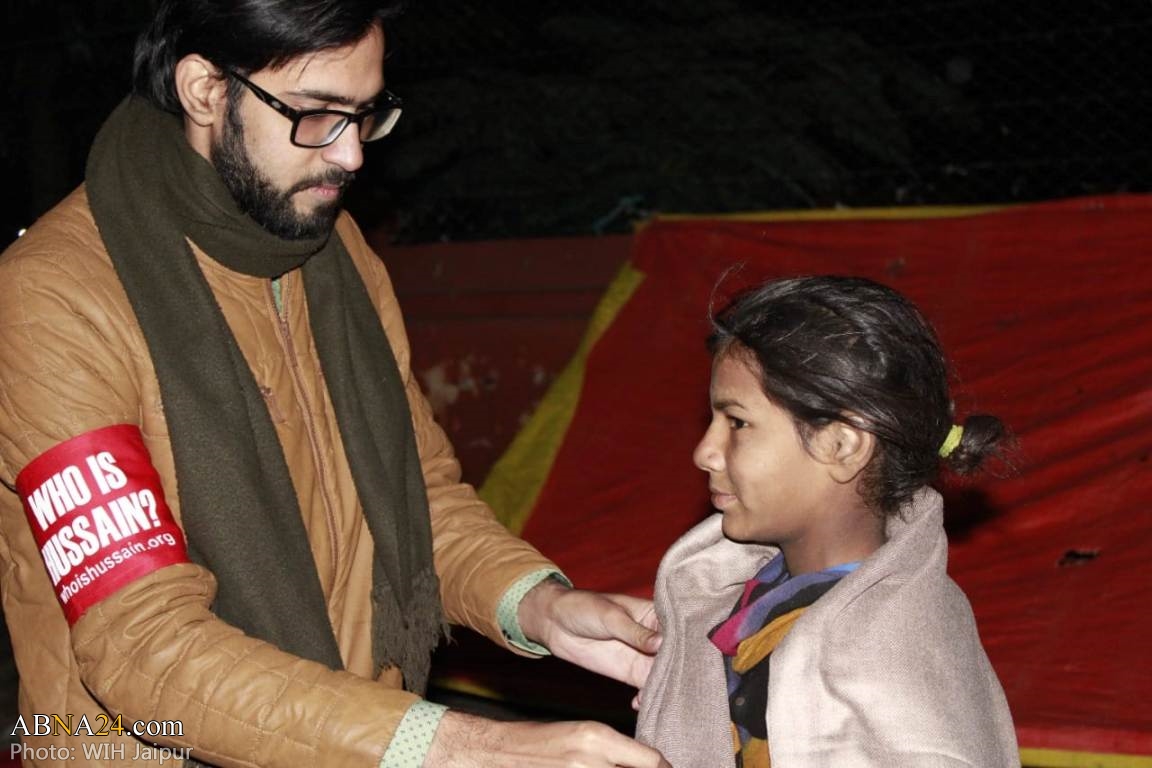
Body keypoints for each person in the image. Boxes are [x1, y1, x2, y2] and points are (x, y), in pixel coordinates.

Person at [0, 2, 671, 766]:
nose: (351, 156)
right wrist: (455, 744)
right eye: (317, 115)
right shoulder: (53, 299)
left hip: (356, 737)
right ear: (205, 90)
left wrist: (537, 604)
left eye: (365, 115)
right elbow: (142, 646)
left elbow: (420, 494)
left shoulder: (334, 250)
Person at [636, 275, 1019, 767]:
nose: (705, 452)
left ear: (842, 445)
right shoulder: (755, 590)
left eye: (737, 423)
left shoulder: (882, 668)